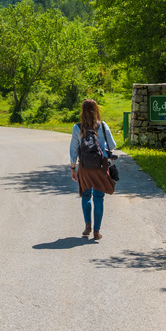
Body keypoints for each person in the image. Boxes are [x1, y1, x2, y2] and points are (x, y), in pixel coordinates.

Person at [69, 98, 116, 240]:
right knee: (99, 198)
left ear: (82, 112)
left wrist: (73, 167)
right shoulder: (102, 126)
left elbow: (73, 150)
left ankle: (87, 225)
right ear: (96, 110)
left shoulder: (77, 127)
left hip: (84, 167)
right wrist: (104, 149)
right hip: (100, 166)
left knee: (85, 195)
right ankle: (96, 231)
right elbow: (112, 145)